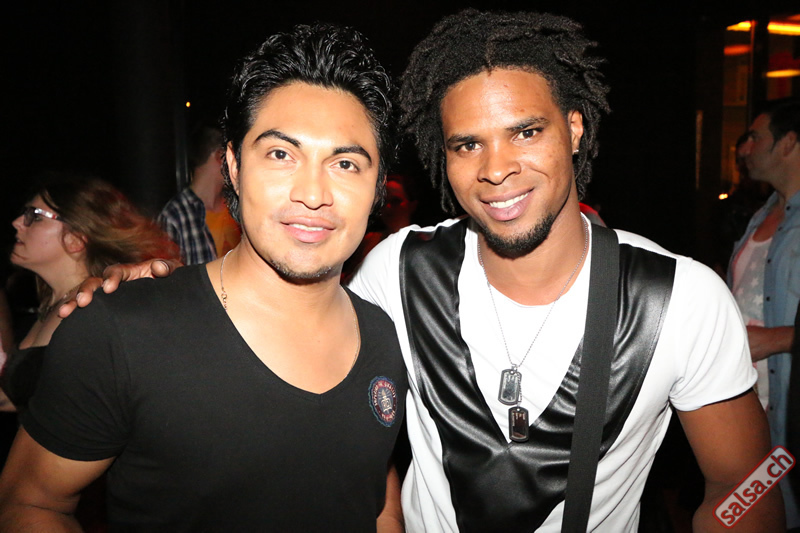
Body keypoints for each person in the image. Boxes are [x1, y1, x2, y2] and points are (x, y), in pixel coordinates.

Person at [59, 10, 780, 532]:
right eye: (467, 144)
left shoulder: (682, 298)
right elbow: (288, 320)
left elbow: (747, 483)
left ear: (573, 128)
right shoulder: (396, 269)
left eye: (526, 132)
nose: (497, 169)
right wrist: (148, 289)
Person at [0, 24, 406, 532]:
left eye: (345, 163)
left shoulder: (385, 337)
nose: (312, 193)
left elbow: (375, 497)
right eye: (281, 155)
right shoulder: (123, 332)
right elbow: (29, 504)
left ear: (377, 187)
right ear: (233, 166)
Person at [0, 175, 179, 412]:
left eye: (35, 216)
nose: (17, 222)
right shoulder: (50, 306)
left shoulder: (92, 307)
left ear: (75, 239)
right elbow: (22, 396)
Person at [727, 97, 800, 529]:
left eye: (756, 137)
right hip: (750, 415)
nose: (745, 148)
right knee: (744, 516)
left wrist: (776, 339)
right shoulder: (761, 215)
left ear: (788, 143)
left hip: (790, 419)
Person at [158, 125, 241, 265]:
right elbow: (168, 275)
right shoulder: (175, 216)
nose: (237, 165)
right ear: (220, 156)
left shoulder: (237, 207)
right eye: (233, 157)